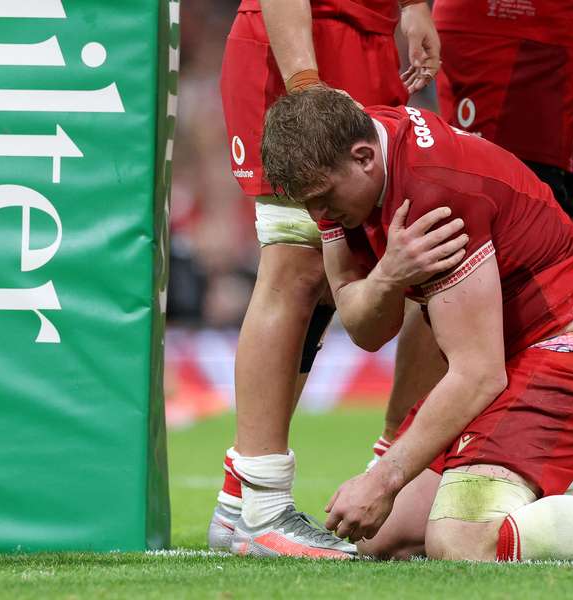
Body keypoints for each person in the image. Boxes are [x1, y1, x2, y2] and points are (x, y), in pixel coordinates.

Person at [259, 88, 573, 563]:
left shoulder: (433, 193)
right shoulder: (343, 165)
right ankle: (569, 495)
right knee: (380, 539)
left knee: (463, 541)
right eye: (308, 203)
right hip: (507, 360)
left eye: (322, 199)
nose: (318, 214)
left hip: (568, 348)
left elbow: (477, 373)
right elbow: (367, 330)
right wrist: (389, 275)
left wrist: (386, 475)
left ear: (365, 157)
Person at [209, 0, 441, 558]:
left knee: (329, 271)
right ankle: (260, 505)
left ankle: (240, 499)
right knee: (296, 267)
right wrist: (305, 83)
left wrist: (412, 7)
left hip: (364, 43)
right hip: (303, 46)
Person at [431, 0, 573, 221]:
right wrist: (413, 6)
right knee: (514, 202)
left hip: (560, 32)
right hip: (507, 30)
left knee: (558, 195)